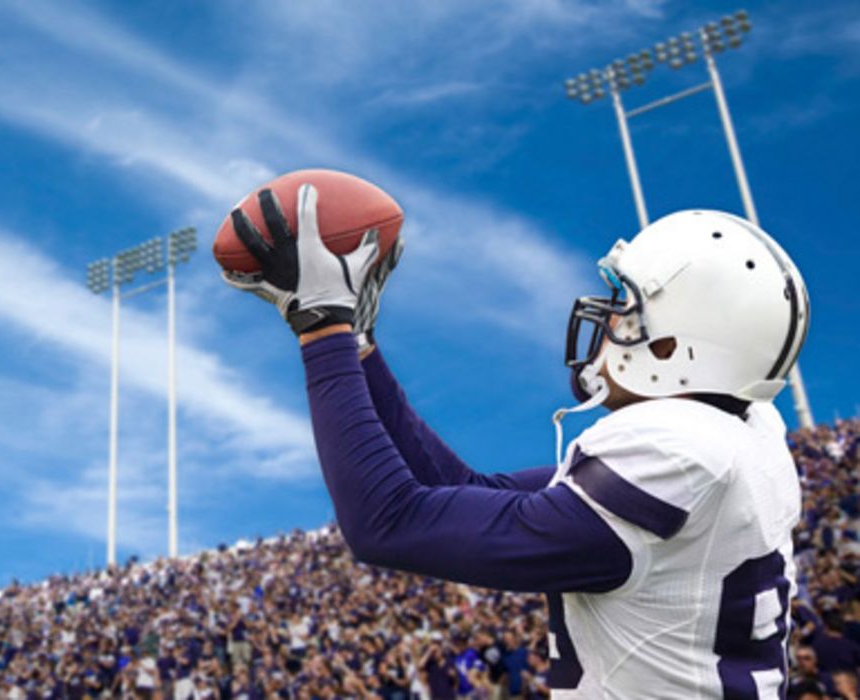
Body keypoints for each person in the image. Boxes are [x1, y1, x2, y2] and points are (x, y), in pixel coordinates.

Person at [222, 183, 810, 698]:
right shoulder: (740, 433)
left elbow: (385, 522)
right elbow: (464, 489)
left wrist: (322, 328)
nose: (607, 320)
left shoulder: (674, 459)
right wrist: (359, 344)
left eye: (626, 310)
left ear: (669, 350)